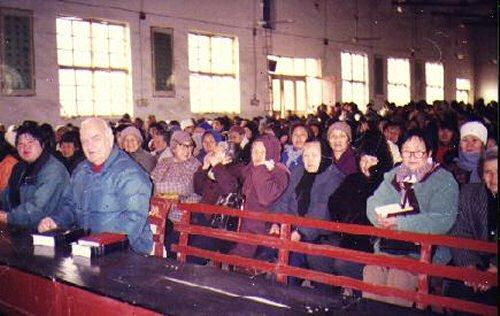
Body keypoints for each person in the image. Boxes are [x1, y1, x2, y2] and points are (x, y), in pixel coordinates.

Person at [363, 129, 458, 307]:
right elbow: (373, 204)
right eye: (407, 151)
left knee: (400, 276)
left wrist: (400, 223)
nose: (412, 156)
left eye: (419, 151)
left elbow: (442, 219)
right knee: (372, 271)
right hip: (389, 246)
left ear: (429, 152)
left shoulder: (443, 180)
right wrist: (380, 219)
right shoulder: (394, 175)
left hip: (424, 250)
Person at [37, 118, 153, 255]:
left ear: (110, 139)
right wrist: (55, 220)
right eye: (85, 141)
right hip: (86, 248)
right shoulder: (81, 171)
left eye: (95, 138)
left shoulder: (129, 173)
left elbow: (133, 221)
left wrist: (97, 246)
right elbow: (70, 205)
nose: (89, 146)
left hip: (125, 252)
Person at [272, 141, 344, 288]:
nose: (309, 160)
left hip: (321, 236)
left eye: (314, 155)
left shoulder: (334, 177)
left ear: (323, 156)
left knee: (293, 260)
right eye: (305, 156)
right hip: (294, 231)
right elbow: (285, 199)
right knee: (273, 253)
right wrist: (276, 222)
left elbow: (321, 210)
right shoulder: (299, 172)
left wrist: (300, 233)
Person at [328, 130, 393, 283]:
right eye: (363, 160)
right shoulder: (353, 179)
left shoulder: (386, 183)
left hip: (372, 244)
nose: (365, 165)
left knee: (342, 263)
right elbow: (334, 203)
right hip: (348, 238)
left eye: (371, 160)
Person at [446, 147, 497, 307]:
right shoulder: (469, 193)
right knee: (459, 294)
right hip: (474, 263)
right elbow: (459, 231)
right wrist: (470, 267)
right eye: (488, 172)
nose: (494, 178)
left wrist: (494, 271)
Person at [229, 134, 289, 259]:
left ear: (271, 152)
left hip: (263, 231)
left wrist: (262, 169)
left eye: (263, 151)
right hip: (245, 228)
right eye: (254, 151)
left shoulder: (280, 172)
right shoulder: (250, 169)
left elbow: (265, 198)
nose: (258, 155)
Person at [0, 123, 70, 229]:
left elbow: (37, 210)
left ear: (42, 144)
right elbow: (7, 195)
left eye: (30, 142)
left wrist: (8, 217)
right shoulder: (20, 167)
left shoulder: (53, 170)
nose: (25, 147)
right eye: (20, 144)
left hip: (47, 232)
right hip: (22, 227)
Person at [151, 131, 201, 202]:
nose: (187, 150)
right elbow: (154, 187)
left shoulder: (195, 165)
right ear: (174, 148)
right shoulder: (163, 163)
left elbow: (186, 189)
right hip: (162, 208)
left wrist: (162, 188)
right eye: (183, 146)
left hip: (185, 208)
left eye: (190, 146)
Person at [445, 121, 488, 186]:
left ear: (482, 144)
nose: (469, 145)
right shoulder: (451, 170)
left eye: (475, 140)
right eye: (465, 140)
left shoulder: (491, 169)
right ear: (460, 144)